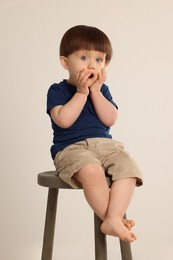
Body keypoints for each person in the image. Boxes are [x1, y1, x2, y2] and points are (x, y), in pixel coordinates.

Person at [47, 25, 143, 242]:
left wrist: (96, 92)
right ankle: (112, 220)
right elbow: (63, 120)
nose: (92, 64)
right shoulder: (58, 90)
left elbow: (110, 119)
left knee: (128, 165)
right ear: (65, 62)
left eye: (99, 60)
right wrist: (81, 93)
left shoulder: (103, 90)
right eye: (83, 57)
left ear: (105, 64)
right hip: (72, 149)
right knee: (92, 170)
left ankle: (113, 218)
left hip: (105, 147)